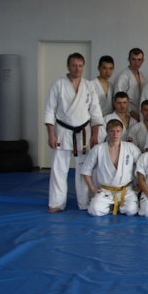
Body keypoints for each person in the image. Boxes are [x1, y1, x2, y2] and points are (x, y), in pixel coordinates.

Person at [45, 53, 103, 213]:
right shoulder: (58, 85)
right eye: (74, 65)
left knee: (84, 169)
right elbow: (49, 110)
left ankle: (84, 202)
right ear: (68, 66)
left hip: (84, 132)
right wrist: (51, 134)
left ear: (83, 67)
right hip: (63, 131)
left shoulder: (89, 86)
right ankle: (56, 203)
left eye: (80, 66)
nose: (77, 69)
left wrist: (95, 135)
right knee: (59, 169)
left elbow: (96, 112)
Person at [81, 119, 142, 217]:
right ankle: (112, 206)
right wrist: (92, 188)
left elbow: (142, 166)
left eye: (118, 131)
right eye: (112, 131)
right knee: (94, 210)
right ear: (107, 132)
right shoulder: (98, 149)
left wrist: (141, 185)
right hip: (106, 190)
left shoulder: (131, 148)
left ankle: (115, 206)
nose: (115, 134)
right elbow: (86, 170)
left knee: (131, 211)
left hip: (125, 189)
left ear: (122, 132)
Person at [113, 48, 148, 121]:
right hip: (126, 114)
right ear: (129, 59)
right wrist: (133, 114)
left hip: (141, 114)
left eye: (139, 60)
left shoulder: (143, 77)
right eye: (133, 59)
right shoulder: (123, 77)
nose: (136, 63)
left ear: (143, 61)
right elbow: (118, 98)